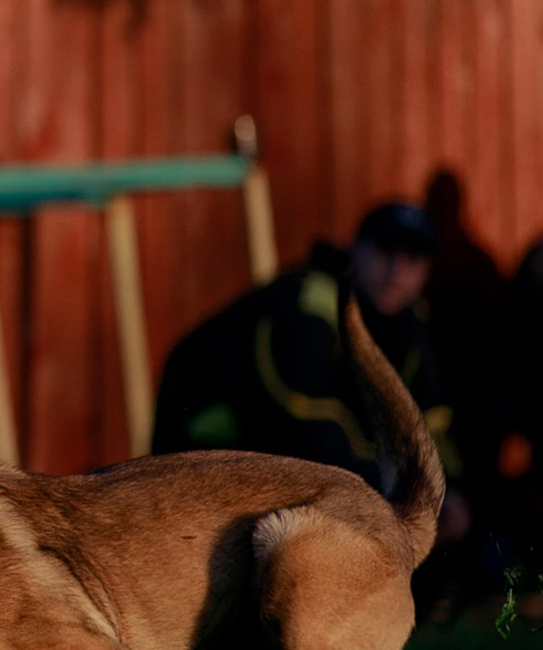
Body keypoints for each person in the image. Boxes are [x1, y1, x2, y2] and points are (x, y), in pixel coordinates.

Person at [153, 202, 464, 504]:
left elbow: (428, 417)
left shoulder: (406, 320)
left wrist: (453, 490)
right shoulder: (312, 299)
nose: (397, 270)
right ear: (355, 248)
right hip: (202, 454)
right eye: (385, 250)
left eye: (413, 258)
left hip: (271, 466)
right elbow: (304, 415)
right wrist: (393, 484)